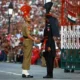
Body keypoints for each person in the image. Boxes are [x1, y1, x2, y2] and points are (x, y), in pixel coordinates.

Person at [20, 4, 40, 78]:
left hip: (26, 41)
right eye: (28, 17)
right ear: (25, 18)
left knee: (26, 56)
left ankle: (24, 72)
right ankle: (26, 72)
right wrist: (35, 40)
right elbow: (28, 35)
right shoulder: (27, 25)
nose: (29, 18)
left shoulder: (24, 24)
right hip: (28, 41)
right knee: (27, 57)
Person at [41, 2, 60, 78]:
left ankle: (49, 74)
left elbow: (48, 36)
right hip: (49, 43)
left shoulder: (48, 27)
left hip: (49, 44)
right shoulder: (49, 26)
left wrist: (48, 46)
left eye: (46, 18)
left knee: (49, 60)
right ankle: (49, 74)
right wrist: (41, 41)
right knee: (49, 59)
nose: (45, 19)